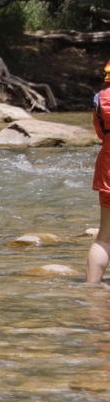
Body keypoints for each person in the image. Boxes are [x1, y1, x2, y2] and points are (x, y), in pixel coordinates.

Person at [90, 60, 110, 285]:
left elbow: (101, 132)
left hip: (108, 166)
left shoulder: (100, 98)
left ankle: (91, 288)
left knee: (105, 238)